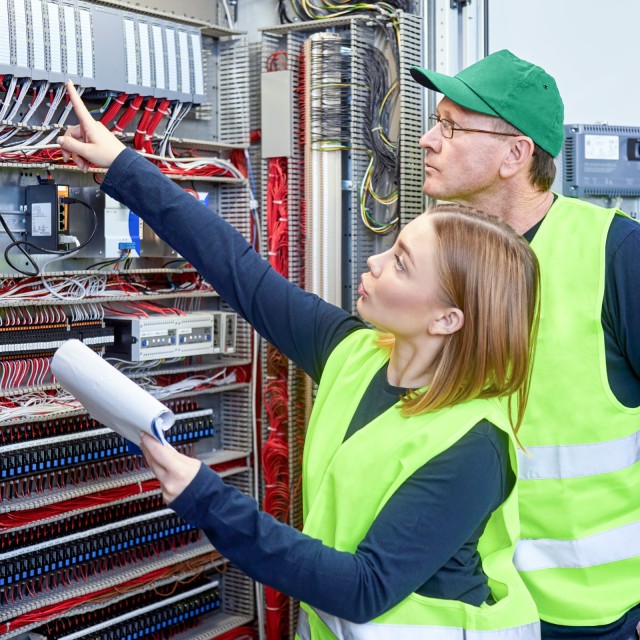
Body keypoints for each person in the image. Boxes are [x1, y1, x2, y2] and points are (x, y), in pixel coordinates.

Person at [57, 80, 542, 639]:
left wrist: (207, 497)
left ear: (446, 320)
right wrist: (122, 165)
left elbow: (362, 587)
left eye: (403, 264)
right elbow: (241, 273)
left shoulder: (473, 446)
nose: (378, 262)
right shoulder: (355, 352)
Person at [410, 49, 640, 640]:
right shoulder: (439, 256)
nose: (428, 141)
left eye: (451, 126)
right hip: (471, 602)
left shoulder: (616, 254)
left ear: (516, 154)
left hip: (585, 616)